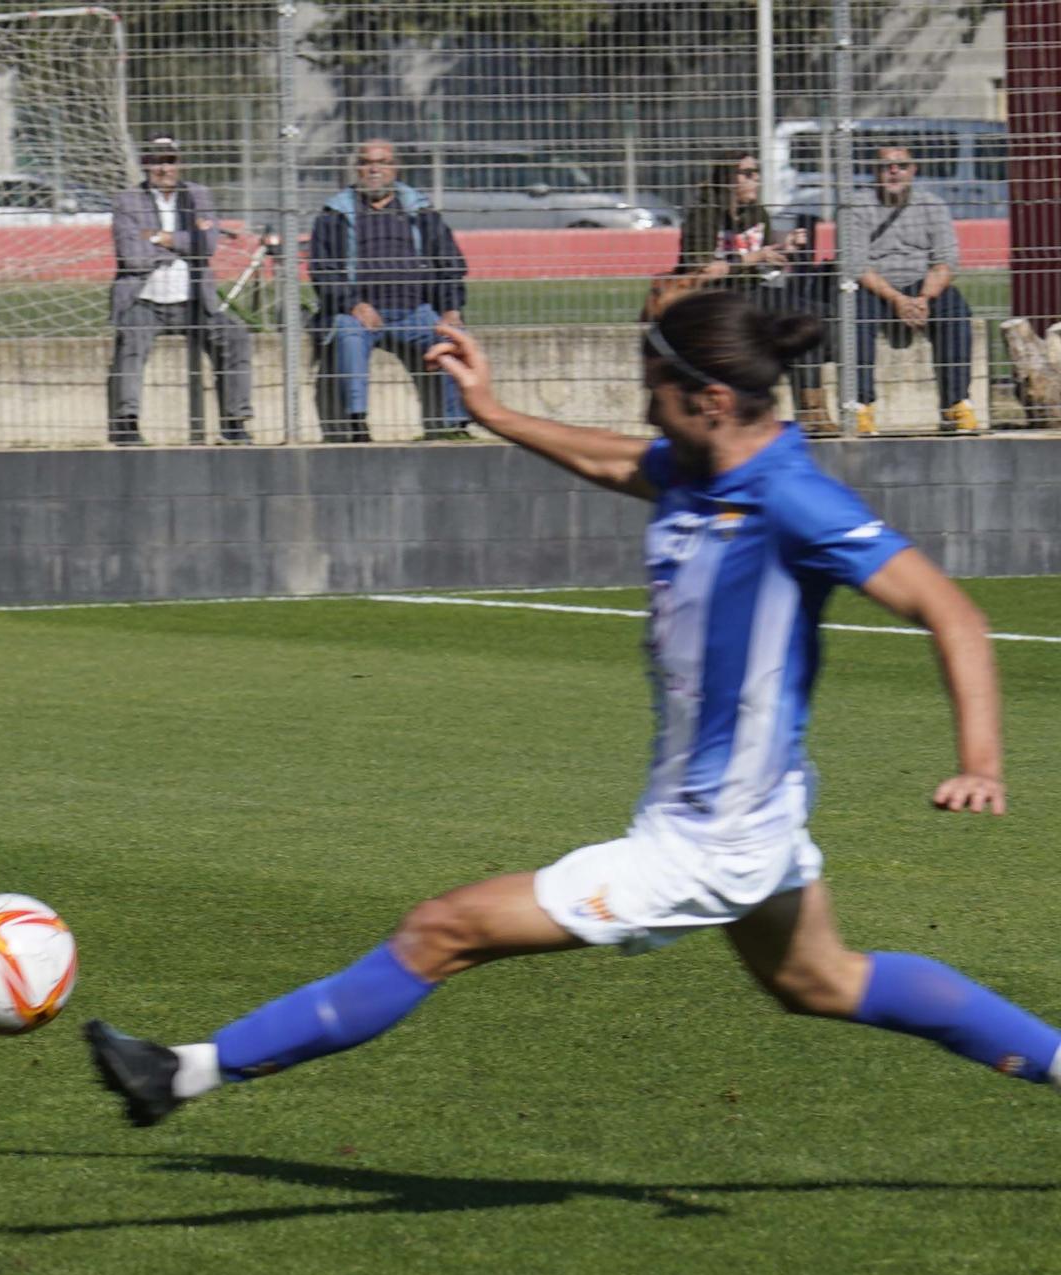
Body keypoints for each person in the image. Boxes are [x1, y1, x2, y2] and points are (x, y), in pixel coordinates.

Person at [87, 288, 1057, 1134]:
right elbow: (612, 463)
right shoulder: (699, 466)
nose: (642, 410)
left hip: (706, 843)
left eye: (653, 391)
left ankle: (182, 1073)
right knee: (820, 981)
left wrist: (980, 760)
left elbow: (950, 611)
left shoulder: (789, 499)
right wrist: (493, 412)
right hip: (744, 815)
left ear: (711, 401)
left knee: (439, 930)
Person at [660, 152, 836, 437]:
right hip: (711, 299)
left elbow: (762, 257)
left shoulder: (757, 213)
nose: (755, 180)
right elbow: (702, 272)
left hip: (751, 292)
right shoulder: (705, 213)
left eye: (756, 173)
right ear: (728, 179)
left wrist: (784, 248)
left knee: (806, 317)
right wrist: (753, 258)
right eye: (747, 174)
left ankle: (812, 408)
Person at [309, 140, 472, 443]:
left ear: (395, 168)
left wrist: (451, 309)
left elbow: (450, 264)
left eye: (382, 162)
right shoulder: (334, 215)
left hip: (416, 312)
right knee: (347, 333)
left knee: (456, 336)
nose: (374, 169)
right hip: (360, 314)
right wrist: (352, 303)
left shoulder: (422, 213)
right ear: (357, 168)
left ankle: (455, 424)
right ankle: (357, 424)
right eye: (367, 163)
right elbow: (322, 270)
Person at [107, 135, 254, 447]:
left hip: (195, 300)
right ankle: (126, 423)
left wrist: (158, 238)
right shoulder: (127, 200)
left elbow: (208, 245)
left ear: (179, 163)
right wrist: (184, 242)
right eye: (156, 160)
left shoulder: (198, 196)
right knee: (131, 340)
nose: (163, 168)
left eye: (170, 160)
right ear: (145, 164)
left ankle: (234, 421)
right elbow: (131, 255)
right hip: (144, 298)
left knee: (235, 336)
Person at [850, 144, 977, 436]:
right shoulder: (857, 206)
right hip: (877, 285)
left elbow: (945, 261)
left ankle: (956, 403)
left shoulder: (932, 205)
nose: (894, 172)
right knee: (854, 312)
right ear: (875, 171)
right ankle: (860, 406)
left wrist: (923, 299)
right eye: (886, 166)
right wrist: (896, 299)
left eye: (902, 165)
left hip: (922, 284)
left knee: (956, 310)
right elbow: (856, 264)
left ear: (913, 170)